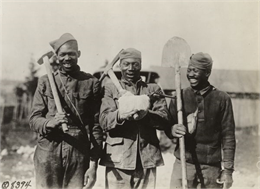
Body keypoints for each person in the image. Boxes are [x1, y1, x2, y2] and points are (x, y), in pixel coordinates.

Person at [29, 33, 103, 189]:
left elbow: (96, 125)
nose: (67, 58)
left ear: (79, 54)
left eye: (71, 54)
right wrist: (51, 122)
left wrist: (93, 164)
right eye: (62, 54)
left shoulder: (91, 83)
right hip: (48, 151)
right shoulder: (45, 81)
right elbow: (34, 119)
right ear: (56, 56)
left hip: (78, 153)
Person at [99, 48, 171, 189]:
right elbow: (104, 120)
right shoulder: (110, 89)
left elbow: (164, 120)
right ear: (119, 65)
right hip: (118, 159)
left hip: (146, 158)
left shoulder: (153, 89)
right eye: (126, 64)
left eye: (135, 64)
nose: (131, 68)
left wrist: (146, 115)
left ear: (141, 65)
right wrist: (121, 114)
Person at [168, 52, 236, 189]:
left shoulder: (222, 99)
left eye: (195, 70)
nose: (191, 74)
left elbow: (228, 136)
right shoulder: (179, 96)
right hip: (184, 164)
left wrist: (228, 171)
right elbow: (168, 125)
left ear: (207, 73)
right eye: (189, 70)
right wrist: (172, 129)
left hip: (211, 168)